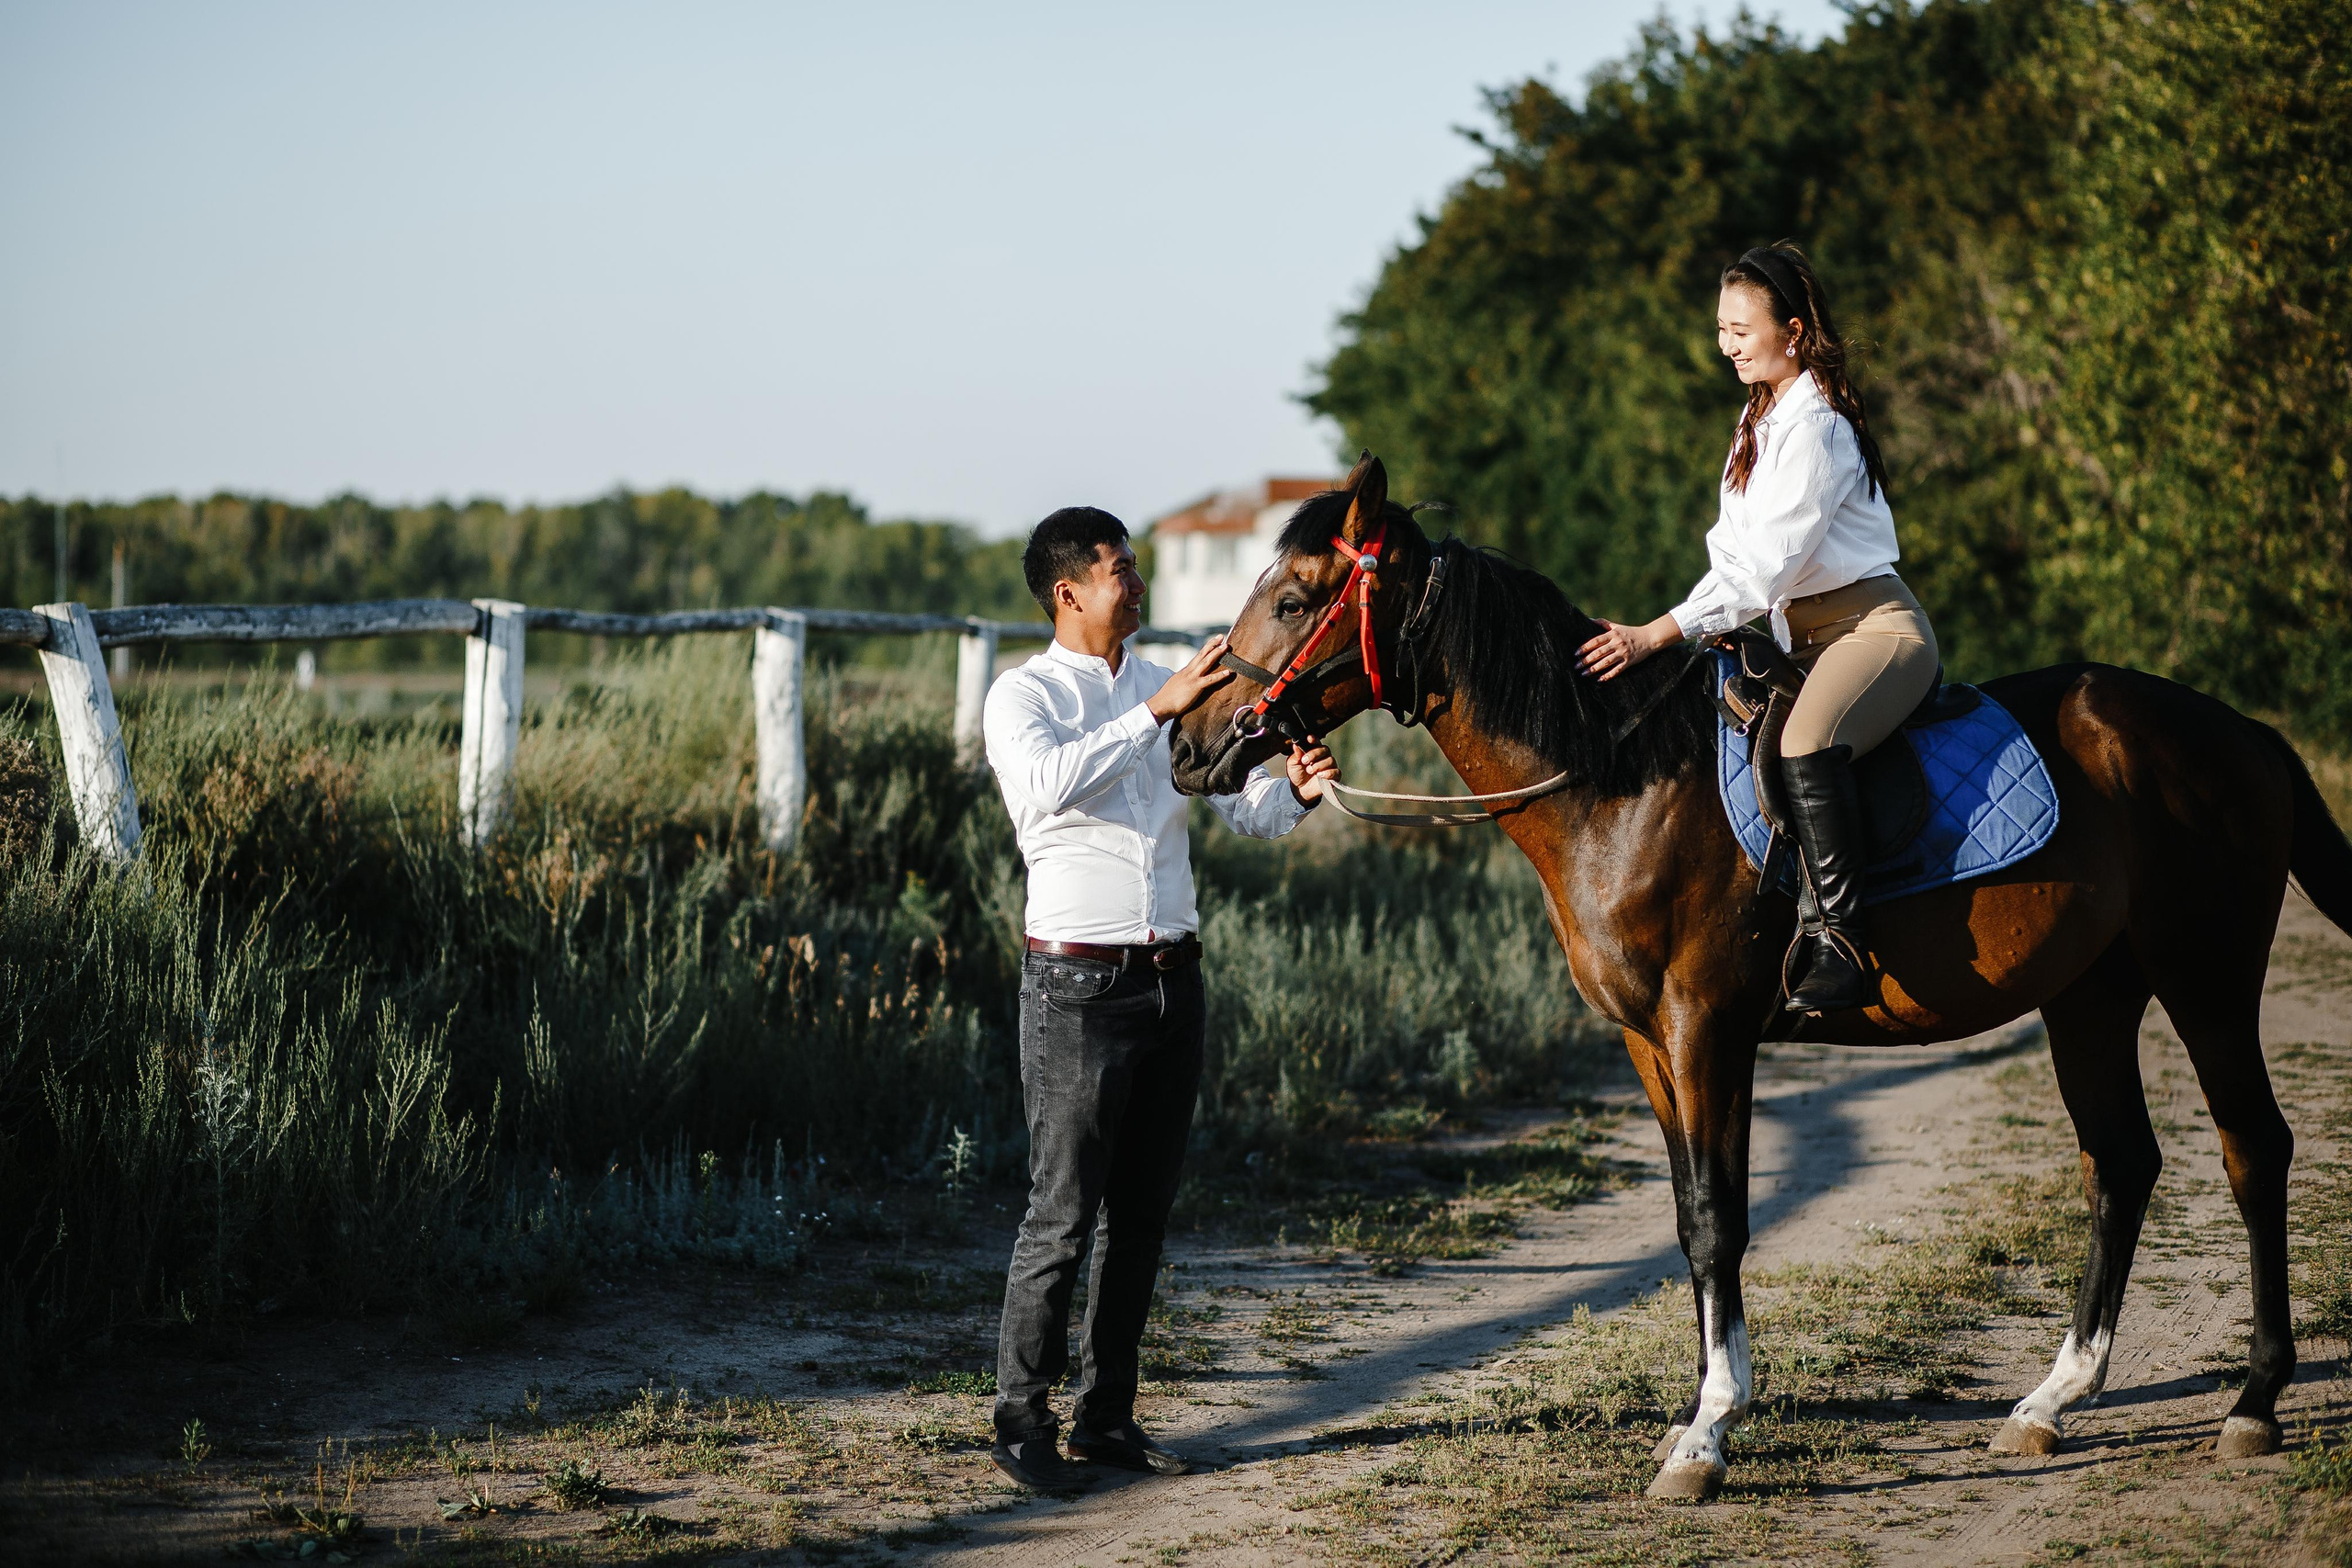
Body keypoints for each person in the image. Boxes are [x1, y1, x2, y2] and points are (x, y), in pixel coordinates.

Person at [981, 506, 1340, 1490]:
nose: (1135, 586)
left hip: (1172, 980)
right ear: (1068, 591)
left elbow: (1241, 812)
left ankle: (1107, 1420)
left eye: (1136, 568)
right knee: (1061, 1213)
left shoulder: (1173, 684)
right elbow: (1048, 789)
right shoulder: (1024, 698)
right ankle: (1022, 1421)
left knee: (1140, 1219)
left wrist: (1293, 795)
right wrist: (1154, 712)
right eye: (1118, 572)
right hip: (1075, 986)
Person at [1574, 243, 1937, 1014]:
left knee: (1805, 743)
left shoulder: (1818, 428)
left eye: (1741, 328)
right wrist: (1690, 628)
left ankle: (1841, 936)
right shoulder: (1758, 416)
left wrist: (1655, 633)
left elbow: (1764, 569)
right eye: (1720, 329)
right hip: (1797, 638)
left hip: (1872, 631)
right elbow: (1729, 554)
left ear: (1794, 332)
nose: (1727, 344)